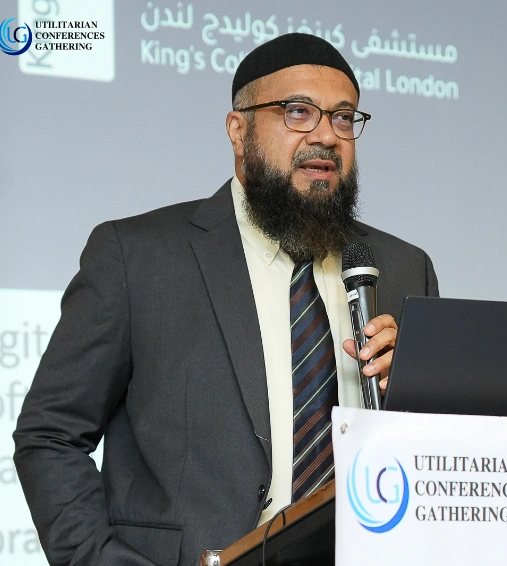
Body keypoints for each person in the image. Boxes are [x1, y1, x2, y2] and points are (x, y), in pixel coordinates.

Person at [13, 33, 438, 566]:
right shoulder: (138, 257)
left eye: (344, 117)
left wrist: (417, 396)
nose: (327, 136)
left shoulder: (401, 267)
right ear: (239, 130)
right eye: (298, 111)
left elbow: (438, 456)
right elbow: (50, 435)